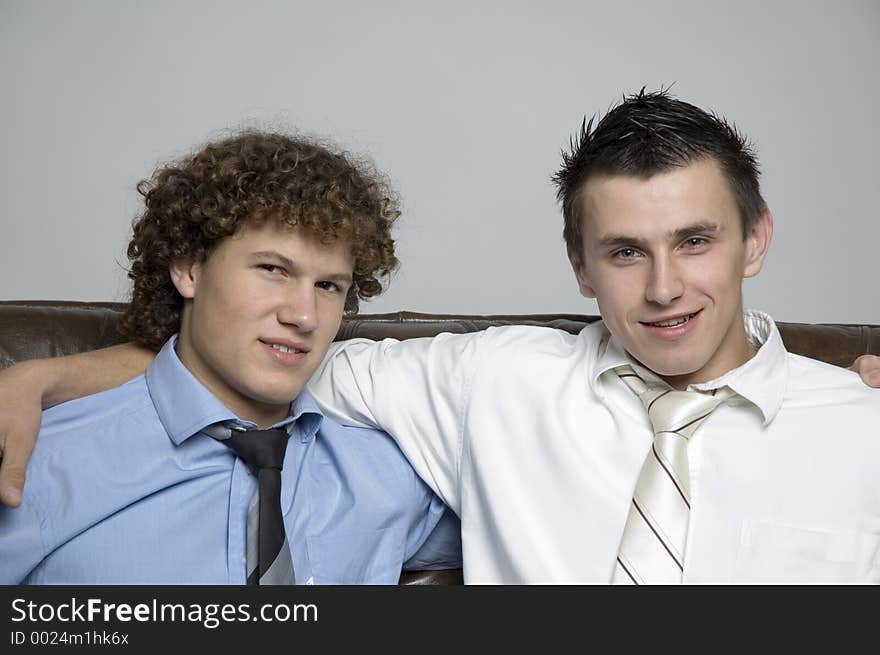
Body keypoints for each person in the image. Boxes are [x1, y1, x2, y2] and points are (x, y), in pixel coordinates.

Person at [1, 91, 879, 583]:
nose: (663, 287)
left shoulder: (860, 423)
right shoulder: (489, 379)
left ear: (755, 237)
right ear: (578, 266)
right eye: (623, 251)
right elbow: (249, 372)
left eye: (695, 240)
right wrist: (36, 380)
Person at [0, 131, 460, 584]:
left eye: (328, 286)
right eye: (273, 270)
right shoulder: (40, 462)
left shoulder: (391, 472)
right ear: (188, 268)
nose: (304, 316)